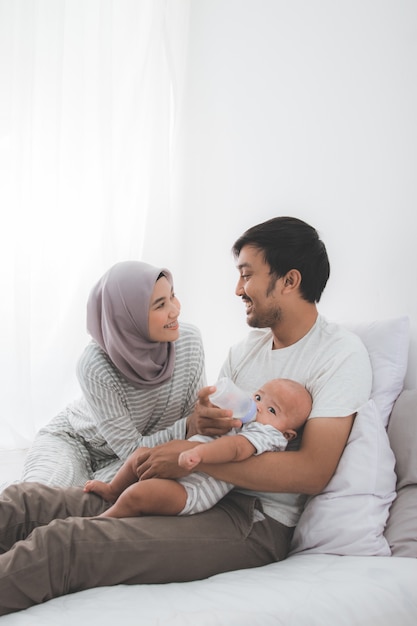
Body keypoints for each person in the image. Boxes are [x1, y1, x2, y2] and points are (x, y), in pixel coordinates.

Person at [0, 216, 372, 616]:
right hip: (197, 489)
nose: (237, 289)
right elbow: (209, 435)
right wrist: (195, 434)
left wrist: (191, 459)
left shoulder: (339, 354)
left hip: (253, 520)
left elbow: (311, 472)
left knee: (67, 545)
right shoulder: (244, 352)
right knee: (23, 502)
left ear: (289, 280)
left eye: (247, 275)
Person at [21, 260, 206, 487]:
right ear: (127, 316)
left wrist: (195, 424)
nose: (175, 310)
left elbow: (194, 423)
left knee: (91, 504)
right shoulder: (95, 364)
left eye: (172, 295)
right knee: (39, 497)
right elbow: (183, 428)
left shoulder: (189, 342)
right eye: (160, 305)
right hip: (76, 442)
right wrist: (188, 426)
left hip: (133, 457)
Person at [83, 378, 312, 518]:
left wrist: (198, 455)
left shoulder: (268, 435)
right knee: (141, 454)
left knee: (140, 494)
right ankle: (113, 490)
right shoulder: (243, 419)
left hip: (192, 491)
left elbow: (235, 449)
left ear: (287, 434)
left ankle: (106, 519)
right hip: (182, 466)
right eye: (259, 397)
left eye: (272, 410)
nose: (259, 407)